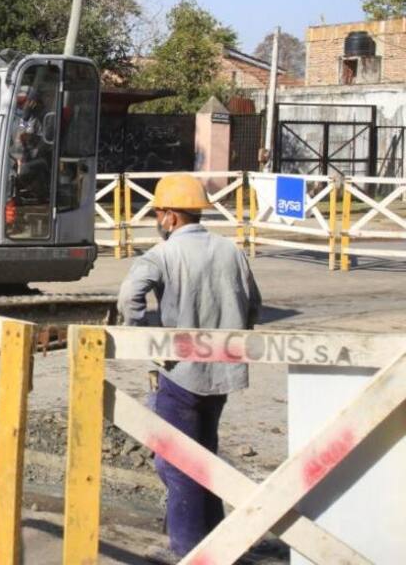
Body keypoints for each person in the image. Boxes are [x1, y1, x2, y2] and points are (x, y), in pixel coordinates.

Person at [116, 173, 262, 564]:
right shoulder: (231, 251)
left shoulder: (163, 255)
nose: (157, 220)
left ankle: (187, 550)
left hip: (180, 374)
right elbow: (254, 306)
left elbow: (130, 295)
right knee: (205, 453)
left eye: (158, 214)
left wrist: (141, 334)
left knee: (177, 461)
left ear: (170, 217)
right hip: (223, 374)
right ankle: (217, 539)